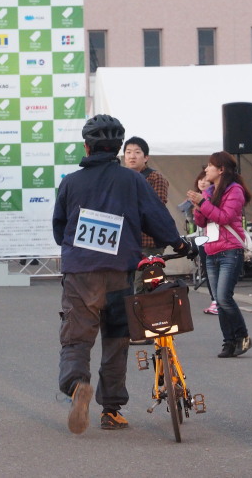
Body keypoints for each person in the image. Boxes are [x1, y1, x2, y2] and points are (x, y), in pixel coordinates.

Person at [53, 114, 189, 435]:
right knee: (116, 339)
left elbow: (60, 229)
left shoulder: (71, 182)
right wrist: (178, 243)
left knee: (76, 338)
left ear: (87, 146)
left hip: (81, 275)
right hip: (120, 273)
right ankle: (111, 410)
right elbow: (157, 218)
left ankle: (76, 386)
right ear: (117, 148)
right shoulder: (133, 180)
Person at [187, 151, 252, 358]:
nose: (206, 169)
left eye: (210, 165)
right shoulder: (210, 191)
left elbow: (224, 217)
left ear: (221, 169)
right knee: (218, 299)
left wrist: (203, 203)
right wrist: (198, 206)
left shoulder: (235, 191)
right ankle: (228, 342)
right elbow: (201, 222)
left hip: (230, 250)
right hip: (211, 250)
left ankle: (242, 336)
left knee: (224, 297)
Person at [122, 136, 169, 291]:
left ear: (146, 157)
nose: (132, 156)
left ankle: (146, 315)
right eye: (128, 152)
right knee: (125, 286)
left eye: (137, 152)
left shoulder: (155, 177)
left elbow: (157, 208)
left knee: (144, 287)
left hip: (149, 243)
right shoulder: (121, 178)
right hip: (125, 242)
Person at [193, 168, 218, 315]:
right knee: (208, 270)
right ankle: (214, 299)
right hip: (202, 238)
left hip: (216, 238)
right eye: (200, 179)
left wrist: (203, 205)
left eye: (206, 179)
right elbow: (195, 221)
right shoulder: (195, 197)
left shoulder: (215, 196)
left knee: (216, 270)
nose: (202, 182)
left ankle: (219, 300)